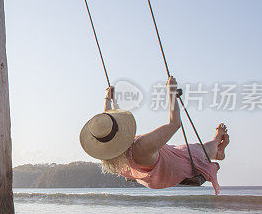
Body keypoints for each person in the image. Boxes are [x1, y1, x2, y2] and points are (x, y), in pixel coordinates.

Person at [79, 76, 228, 194]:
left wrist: (108, 98)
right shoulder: (140, 147)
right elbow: (174, 124)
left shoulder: (111, 154)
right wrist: (171, 93)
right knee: (196, 152)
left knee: (182, 148)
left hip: (148, 175)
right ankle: (216, 146)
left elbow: (106, 123)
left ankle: (216, 149)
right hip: (168, 171)